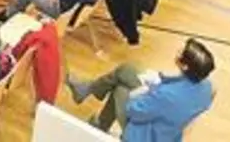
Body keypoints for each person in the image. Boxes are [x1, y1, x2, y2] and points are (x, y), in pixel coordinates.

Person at [65, 39, 216, 139]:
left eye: (180, 52)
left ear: (185, 66)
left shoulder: (166, 96)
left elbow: (134, 111)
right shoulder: (207, 87)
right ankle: (88, 92)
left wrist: (146, 91)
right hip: (168, 129)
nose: (177, 51)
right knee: (127, 70)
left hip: (145, 135)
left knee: (120, 89)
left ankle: (99, 122)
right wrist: (160, 79)